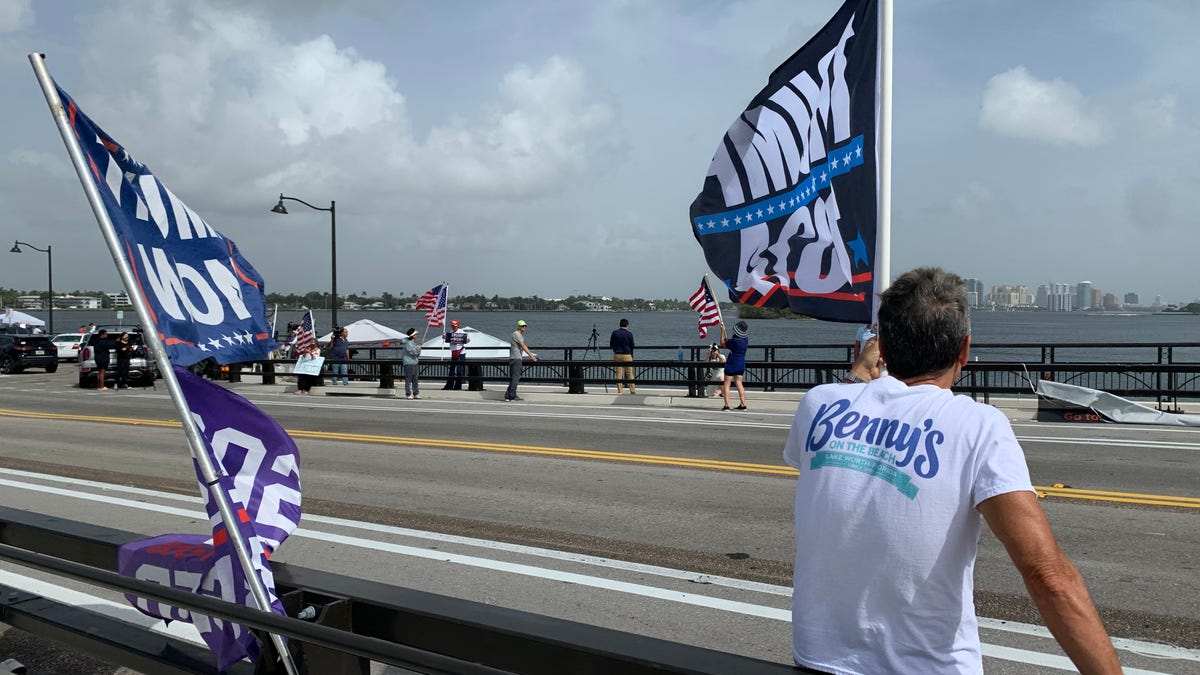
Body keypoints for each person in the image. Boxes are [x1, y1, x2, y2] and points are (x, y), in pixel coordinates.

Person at [782, 267, 1120, 675]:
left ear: (882, 347)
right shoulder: (978, 426)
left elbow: (849, 406)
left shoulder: (819, 404)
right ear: (964, 350)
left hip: (815, 662)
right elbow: (1048, 576)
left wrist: (860, 370)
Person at [718, 321, 749, 411]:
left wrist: (722, 331)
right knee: (739, 384)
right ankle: (743, 404)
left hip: (732, 363)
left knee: (727, 384)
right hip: (741, 363)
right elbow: (729, 342)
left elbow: (722, 343)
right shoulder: (745, 340)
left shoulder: (734, 341)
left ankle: (726, 405)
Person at [505, 320, 538, 401]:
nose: (524, 327)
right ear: (518, 326)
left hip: (516, 358)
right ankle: (512, 396)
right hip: (516, 359)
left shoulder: (519, 335)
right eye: (522, 326)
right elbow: (523, 346)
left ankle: (507, 395)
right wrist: (532, 356)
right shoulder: (516, 334)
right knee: (515, 378)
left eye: (525, 326)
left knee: (513, 378)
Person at [609, 318, 636, 394]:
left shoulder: (615, 333)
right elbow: (632, 345)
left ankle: (620, 390)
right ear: (627, 325)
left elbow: (611, 344)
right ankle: (632, 390)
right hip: (627, 355)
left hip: (617, 355)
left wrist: (615, 349)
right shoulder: (629, 334)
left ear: (620, 324)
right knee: (630, 373)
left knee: (618, 373)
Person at [442, 319, 470, 390]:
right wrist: (444, 337)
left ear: (457, 326)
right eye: (452, 326)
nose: (453, 327)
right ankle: (449, 385)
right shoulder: (450, 332)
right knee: (451, 370)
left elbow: (468, 340)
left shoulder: (461, 332)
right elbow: (446, 338)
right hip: (453, 352)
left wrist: (462, 340)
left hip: (461, 352)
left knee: (459, 370)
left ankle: (458, 386)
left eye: (455, 326)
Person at [401, 328, 423, 399]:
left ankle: (416, 393)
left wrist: (418, 347)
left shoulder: (413, 343)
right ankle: (408, 394)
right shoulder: (408, 343)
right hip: (409, 363)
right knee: (409, 379)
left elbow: (416, 353)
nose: (417, 335)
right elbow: (413, 353)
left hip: (415, 363)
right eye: (415, 334)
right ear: (413, 335)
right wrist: (419, 347)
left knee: (415, 379)